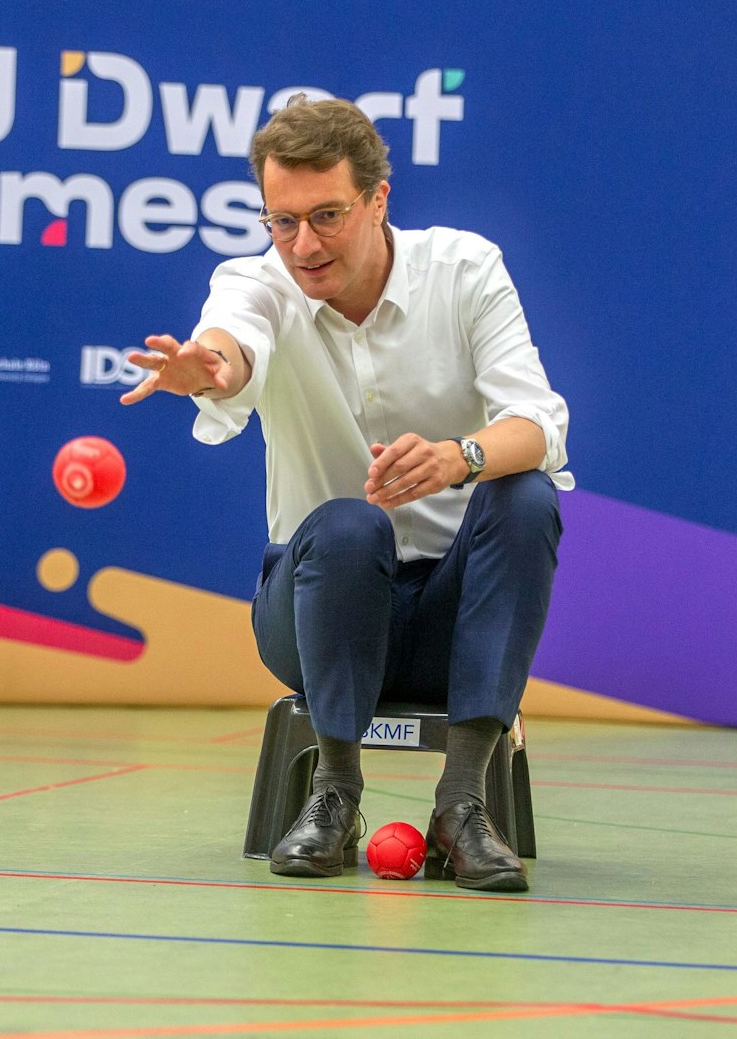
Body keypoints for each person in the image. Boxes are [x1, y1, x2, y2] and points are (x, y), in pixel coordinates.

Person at [120, 97, 569, 892]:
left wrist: (461, 457)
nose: (304, 244)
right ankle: (333, 794)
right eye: (281, 221)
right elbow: (233, 339)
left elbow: (539, 422)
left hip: (448, 621)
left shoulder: (465, 270)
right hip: (313, 609)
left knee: (525, 494)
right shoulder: (256, 282)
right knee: (351, 524)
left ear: (379, 199)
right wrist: (210, 368)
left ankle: (463, 804)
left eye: (326, 215)